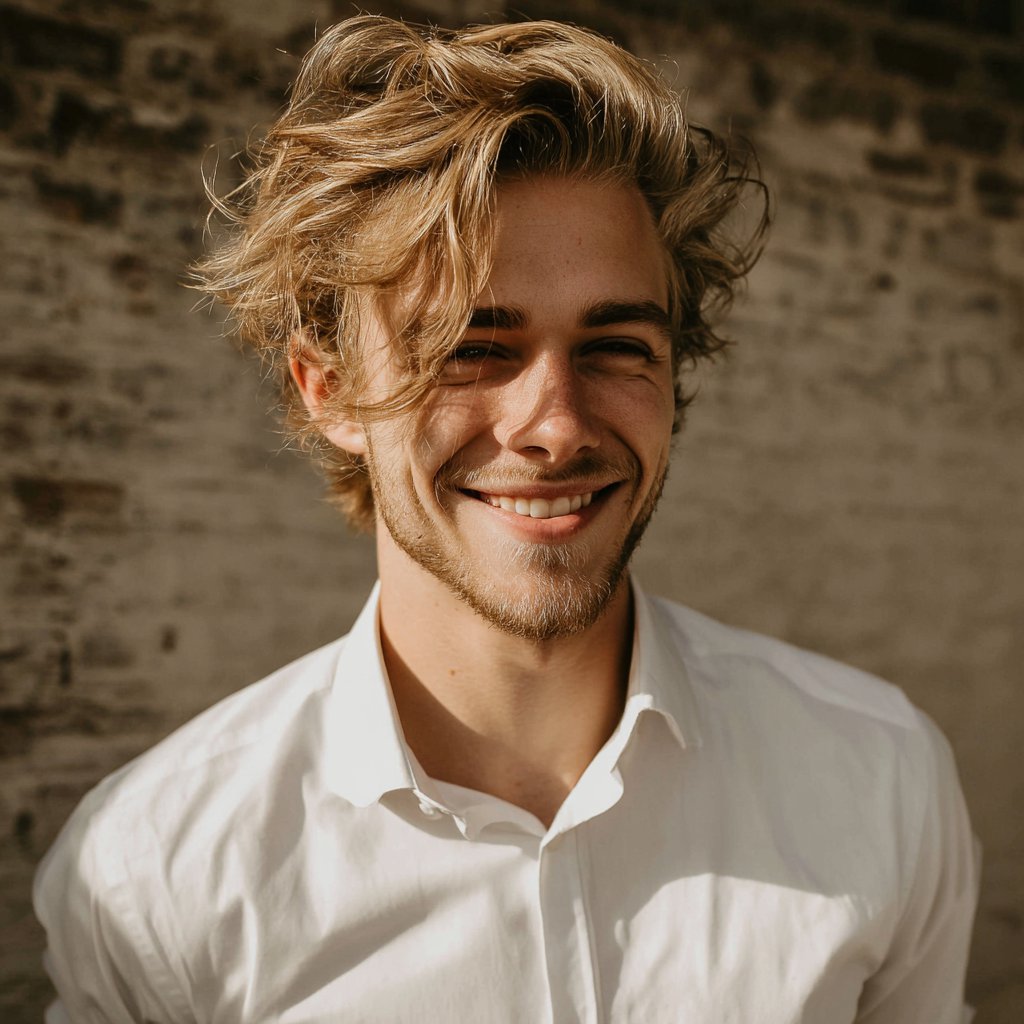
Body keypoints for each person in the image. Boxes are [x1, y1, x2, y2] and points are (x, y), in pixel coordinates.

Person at [34, 15, 979, 1023]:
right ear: (331, 391)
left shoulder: (878, 777)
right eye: (469, 348)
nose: (556, 426)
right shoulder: (156, 878)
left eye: (616, 345)